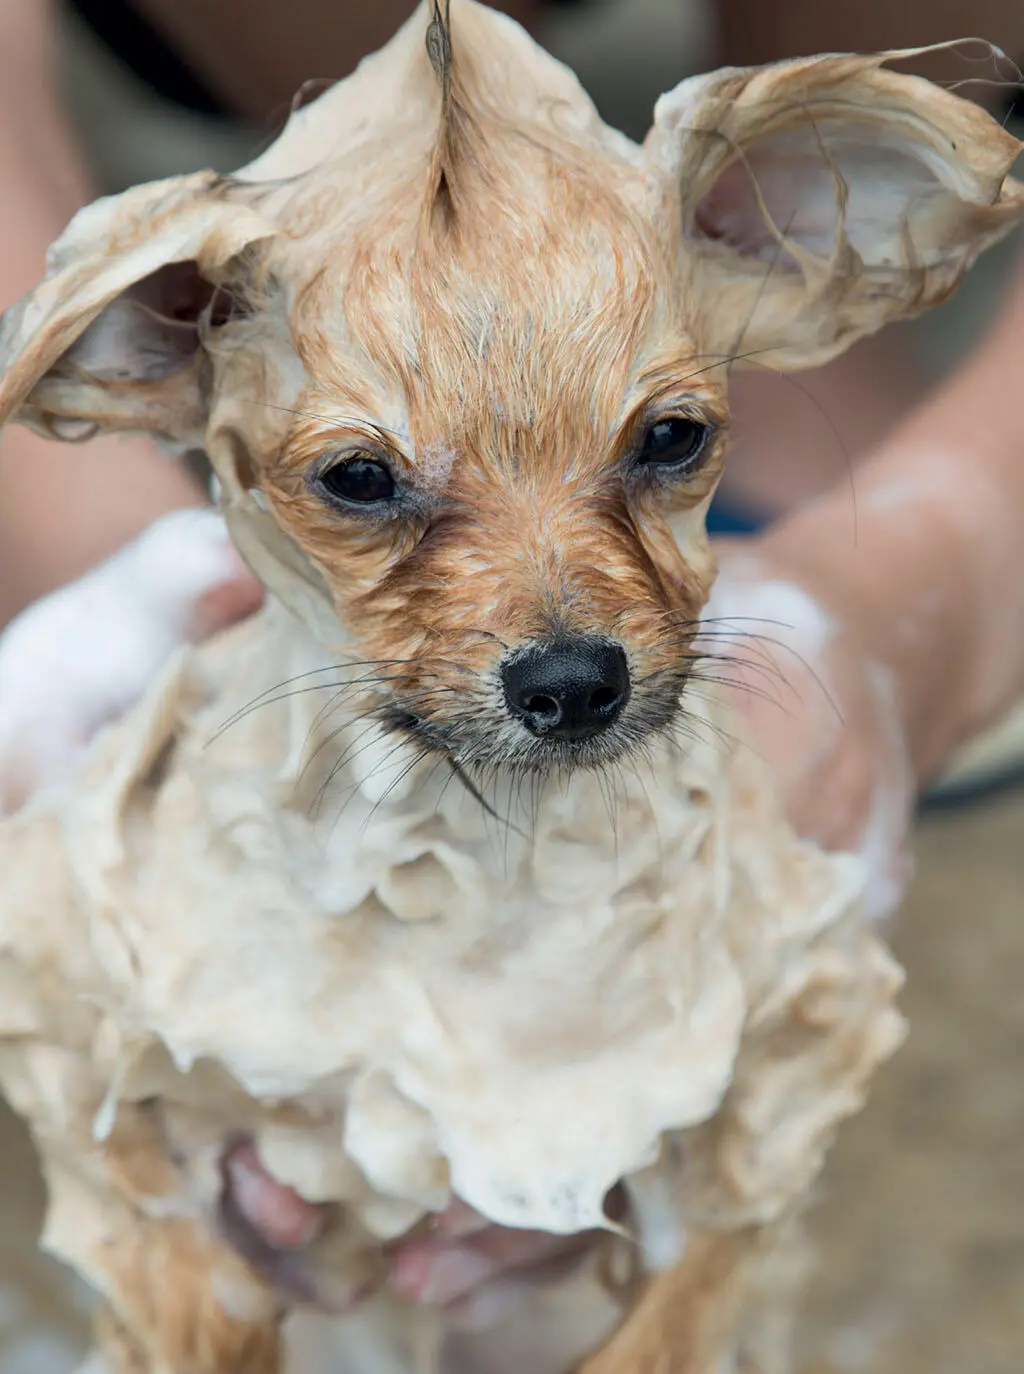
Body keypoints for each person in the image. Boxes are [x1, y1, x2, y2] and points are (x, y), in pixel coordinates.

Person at [2, 0, 1024, 1326]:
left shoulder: (772, 206)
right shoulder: (162, 323)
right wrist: (74, 535)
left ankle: (810, 424)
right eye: (366, 480)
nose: (559, 647)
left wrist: (920, 589)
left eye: (663, 440)